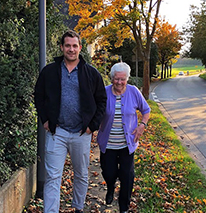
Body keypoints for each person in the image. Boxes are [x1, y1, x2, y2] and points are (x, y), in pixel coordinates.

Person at [34, 30, 107, 213]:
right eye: (68, 45)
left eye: (75, 46)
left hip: (82, 133)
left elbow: (102, 100)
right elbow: (38, 96)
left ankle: (77, 208)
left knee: (81, 174)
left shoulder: (91, 73)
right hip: (56, 132)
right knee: (52, 176)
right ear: (62, 47)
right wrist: (45, 119)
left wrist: (92, 126)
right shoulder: (49, 72)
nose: (71, 49)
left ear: (80, 48)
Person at [97, 62, 150, 213]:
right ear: (112, 78)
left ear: (127, 78)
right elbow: (95, 110)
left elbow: (146, 110)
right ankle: (110, 187)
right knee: (109, 172)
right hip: (107, 143)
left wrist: (142, 125)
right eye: (116, 79)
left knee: (127, 176)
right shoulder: (104, 92)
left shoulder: (133, 92)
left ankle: (123, 207)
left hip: (128, 144)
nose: (119, 82)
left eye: (122, 79)